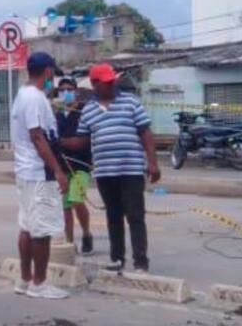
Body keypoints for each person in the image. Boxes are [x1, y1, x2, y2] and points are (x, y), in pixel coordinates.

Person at [65, 63, 160, 273]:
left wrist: (152, 163)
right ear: (94, 84)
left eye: (112, 81)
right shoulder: (88, 110)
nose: (111, 85)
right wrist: (58, 142)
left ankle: (140, 262)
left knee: (135, 216)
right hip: (105, 173)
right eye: (106, 82)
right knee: (113, 216)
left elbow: (145, 132)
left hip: (132, 170)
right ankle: (117, 258)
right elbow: (81, 141)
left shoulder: (131, 102)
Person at [9, 52, 70, 299]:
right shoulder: (34, 98)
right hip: (38, 172)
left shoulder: (23, 94)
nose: (53, 78)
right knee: (41, 230)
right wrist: (57, 170)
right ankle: (39, 283)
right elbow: (37, 136)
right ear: (46, 71)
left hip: (25, 171)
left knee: (26, 227)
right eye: (52, 73)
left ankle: (24, 280)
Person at [55, 77, 93, 254]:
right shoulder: (57, 114)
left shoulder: (84, 112)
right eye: (61, 90)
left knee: (77, 200)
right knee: (65, 207)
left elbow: (83, 141)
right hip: (62, 165)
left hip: (81, 164)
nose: (65, 93)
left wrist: (65, 142)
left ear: (76, 91)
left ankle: (86, 233)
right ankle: (70, 243)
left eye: (68, 89)